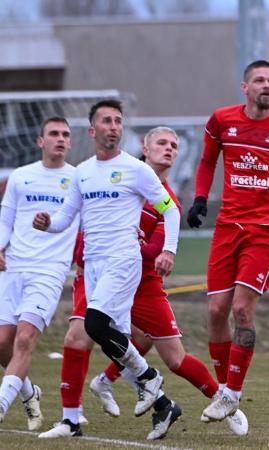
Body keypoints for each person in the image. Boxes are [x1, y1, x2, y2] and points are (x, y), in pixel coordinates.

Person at [39, 127, 248, 439]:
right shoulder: (117, 177)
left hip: (144, 281)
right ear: (144, 148)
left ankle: (220, 403)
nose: (169, 149)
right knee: (77, 337)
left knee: (174, 358)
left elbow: (158, 246)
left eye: (174, 146)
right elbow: (87, 224)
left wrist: (152, 249)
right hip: (104, 273)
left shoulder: (168, 201)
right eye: (161, 143)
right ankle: (71, 419)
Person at [32, 100, 180, 434]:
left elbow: (171, 209)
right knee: (114, 339)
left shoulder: (136, 169)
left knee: (95, 326)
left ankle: (150, 379)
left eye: (118, 121)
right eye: (106, 121)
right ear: (93, 130)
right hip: (94, 265)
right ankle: (161, 404)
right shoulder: (82, 171)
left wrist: (169, 249)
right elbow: (66, 219)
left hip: (123, 260)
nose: (113, 126)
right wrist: (47, 223)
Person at [187, 60, 269, 423]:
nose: (267, 86)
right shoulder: (221, 121)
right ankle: (226, 392)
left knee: (242, 309)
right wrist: (199, 198)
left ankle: (232, 392)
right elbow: (207, 161)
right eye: (260, 80)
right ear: (244, 87)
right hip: (228, 226)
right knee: (215, 312)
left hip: (265, 229)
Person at [0, 117, 78, 430]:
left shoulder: (78, 179)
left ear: (70, 143)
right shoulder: (21, 177)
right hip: (14, 266)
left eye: (65, 135)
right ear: (40, 141)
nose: (60, 139)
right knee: (3, 342)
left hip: (50, 270)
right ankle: (30, 392)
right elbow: (6, 220)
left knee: (25, 337)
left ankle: (2, 405)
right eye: (54, 134)